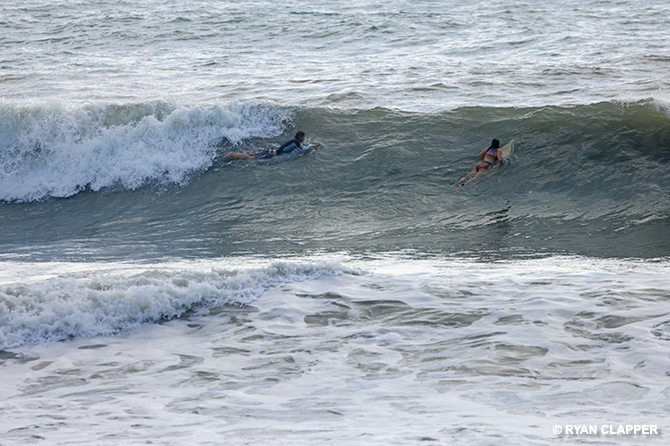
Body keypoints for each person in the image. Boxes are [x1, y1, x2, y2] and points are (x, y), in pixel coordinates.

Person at [223, 131, 318, 161]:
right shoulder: (296, 143)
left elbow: (299, 148)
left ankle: (237, 153)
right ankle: (233, 154)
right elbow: (302, 151)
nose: (304, 139)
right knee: (251, 158)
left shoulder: (294, 141)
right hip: (273, 154)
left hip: (273, 150)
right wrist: (311, 147)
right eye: (304, 137)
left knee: (253, 154)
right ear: (300, 137)